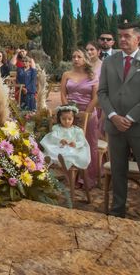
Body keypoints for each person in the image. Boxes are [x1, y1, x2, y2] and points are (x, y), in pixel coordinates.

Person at [98, 23, 140, 220]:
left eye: (127, 36)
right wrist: (113, 116)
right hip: (114, 127)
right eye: (120, 36)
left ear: (138, 39)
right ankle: (117, 212)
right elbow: (102, 92)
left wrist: (128, 118)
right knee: (118, 171)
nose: (122, 39)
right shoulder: (110, 62)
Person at [60, 48, 99, 188]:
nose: (75, 59)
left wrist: (85, 114)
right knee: (71, 145)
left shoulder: (92, 76)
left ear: (85, 59)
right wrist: (68, 112)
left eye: (79, 57)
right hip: (70, 116)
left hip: (88, 114)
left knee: (88, 145)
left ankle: (87, 179)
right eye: (73, 56)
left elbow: (95, 97)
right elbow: (63, 94)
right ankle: (73, 178)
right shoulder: (66, 74)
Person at [41, 105, 90, 170]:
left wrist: (75, 144)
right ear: (59, 118)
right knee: (52, 152)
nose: (67, 121)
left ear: (73, 118)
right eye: (63, 119)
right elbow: (53, 136)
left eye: (69, 119)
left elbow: (82, 141)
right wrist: (60, 140)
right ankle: (60, 161)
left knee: (74, 155)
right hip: (59, 147)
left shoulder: (77, 130)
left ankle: (64, 163)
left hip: (72, 149)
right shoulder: (57, 128)